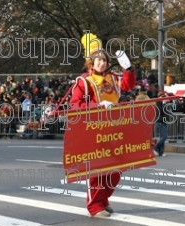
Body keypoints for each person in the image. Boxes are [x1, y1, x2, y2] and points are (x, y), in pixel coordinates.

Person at [69, 33, 135, 217]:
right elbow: (75, 105)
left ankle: (104, 200)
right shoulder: (83, 81)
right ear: (91, 62)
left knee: (116, 169)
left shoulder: (113, 78)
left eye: (104, 60)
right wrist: (97, 106)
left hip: (115, 127)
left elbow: (128, 85)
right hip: (94, 128)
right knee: (98, 168)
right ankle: (95, 205)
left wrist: (128, 68)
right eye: (98, 60)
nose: (102, 63)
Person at [153, 91, 170, 157]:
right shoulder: (158, 102)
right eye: (162, 96)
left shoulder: (163, 102)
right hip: (160, 121)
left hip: (164, 120)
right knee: (164, 136)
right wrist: (165, 103)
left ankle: (161, 151)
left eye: (164, 96)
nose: (164, 98)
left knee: (162, 136)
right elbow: (161, 111)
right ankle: (156, 148)